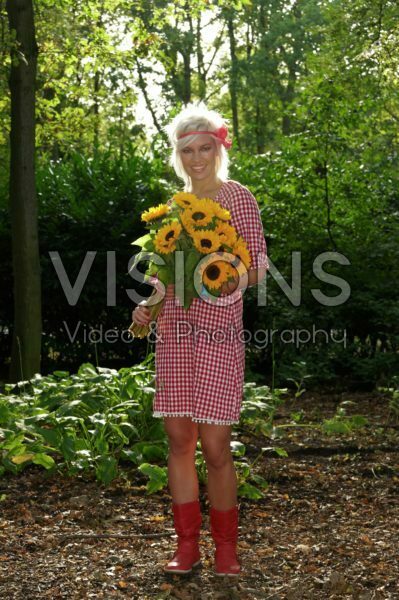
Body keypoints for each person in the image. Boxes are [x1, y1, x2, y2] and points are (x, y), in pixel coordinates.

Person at [131, 103, 268, 577]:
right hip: (175, 335)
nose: (195, 159)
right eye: (186, 150)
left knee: (215, 446)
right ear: (177, 154)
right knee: (178, 440)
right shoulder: (173, 209)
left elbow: (259, 267)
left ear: (218, 148)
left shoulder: (237, 198)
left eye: (204, 148)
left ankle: (226, 549)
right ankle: (186, 546)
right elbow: (162, 275)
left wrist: (232, 277)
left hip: (218, 334)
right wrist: (148, 305)